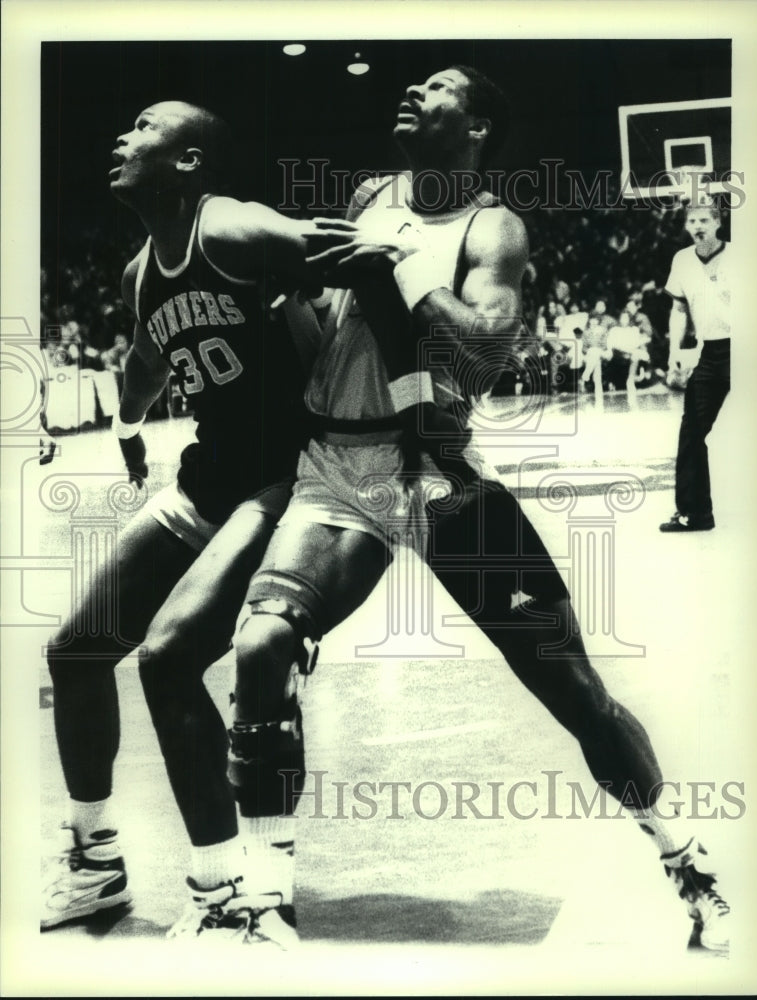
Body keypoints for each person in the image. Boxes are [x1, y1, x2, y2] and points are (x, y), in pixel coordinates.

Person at [224, 66, 730, 952]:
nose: (412, 92)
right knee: (262, 641)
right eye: (412, 85)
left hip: (434, 471)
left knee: (573, 690)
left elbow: (488, 347)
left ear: (478, 128)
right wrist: (285, 303)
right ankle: (265, 901)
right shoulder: (369, 194)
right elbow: (326, 324)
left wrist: (405, 281)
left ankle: (683, 856)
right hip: (335, 469)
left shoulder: (493, 225)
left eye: (437, 88)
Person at [41, 101, 326, 943]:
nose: (121, 137)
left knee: (169, 660)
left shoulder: (229, 226)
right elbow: (145, 355)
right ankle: (95, 864)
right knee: (78, 649)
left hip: (280, 485)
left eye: (143, 126)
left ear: (190, 161)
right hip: (206, 483)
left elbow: (326, 248)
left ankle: (225, 887)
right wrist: (127, 424)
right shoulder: (140, 271)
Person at [659, 200, 731, 532]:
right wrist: (675, 348)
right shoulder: (681, 260)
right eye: (692, 221)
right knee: (692, 431)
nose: (697, 225)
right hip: (712, 354)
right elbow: (678, 309)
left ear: (718, 222)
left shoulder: (740, 256)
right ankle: (695, 512)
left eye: (704, 219)